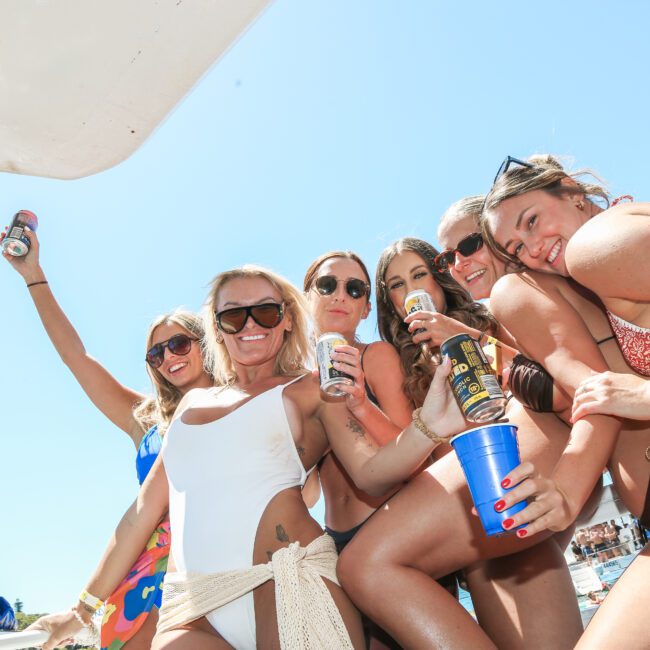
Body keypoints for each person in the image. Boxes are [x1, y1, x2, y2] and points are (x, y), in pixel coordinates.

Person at [30, 264, 472, 650]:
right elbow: (142, 512)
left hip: (288, 582)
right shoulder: (188, 407)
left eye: (265, 311)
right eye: (232, 316)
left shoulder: (312, 389)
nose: (249, 326)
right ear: (217, 328)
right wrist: (83, 609)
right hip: (191, 605)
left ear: (285, 321)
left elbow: (372, 473)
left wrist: (428, 426)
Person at [337, 238, 583, 649]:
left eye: (419, 275)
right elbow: (415, 459)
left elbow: (556, 389)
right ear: (390, 303)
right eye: (396, 285)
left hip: (524, 468)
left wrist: (463, 337)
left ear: (439, 279)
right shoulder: (401, 366)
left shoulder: (488, 318)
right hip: (471, 521)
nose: (410, 290)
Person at [1, 228, 213, 650]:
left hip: (216, 558)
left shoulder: (237, 406)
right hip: (143, 569)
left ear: (205, 345)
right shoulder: (146, 420)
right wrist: (32, 275)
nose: (169, 357)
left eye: (178, 343)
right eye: (156, 353)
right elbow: (75, 358)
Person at [479, 154, 650, 649]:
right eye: (516, 246)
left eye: (531, 220)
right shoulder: (582, 280)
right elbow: (594, 393)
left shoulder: (599, 245)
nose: (532, 247)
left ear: (573, 191)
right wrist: (565, 492)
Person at [304, 250, 412, 649]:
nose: (340, 296)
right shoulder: (295, 383)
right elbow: (306, 489)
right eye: (327, 285)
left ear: (366, 308)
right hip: (335, 542)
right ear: (307, 296)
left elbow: (410, 448)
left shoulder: (376, 356)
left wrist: (359, 401)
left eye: (355, 290)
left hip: (394, 526)